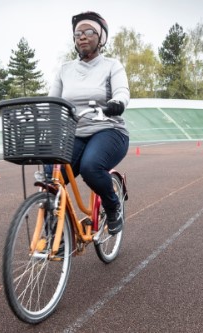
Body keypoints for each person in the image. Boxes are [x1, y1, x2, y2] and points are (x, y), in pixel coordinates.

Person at [48, 11, 130, 235]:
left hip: (109, 129)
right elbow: (52, 101)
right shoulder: (65, 70)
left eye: (89, 32)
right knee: (50, 174)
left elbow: (122, 92)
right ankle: (56, 228)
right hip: (77, 132)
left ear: (101, 37)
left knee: (90, 167)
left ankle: (112, 207)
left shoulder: (112, 66)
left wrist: (116, 103)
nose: (82, 36)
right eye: (77, 33)